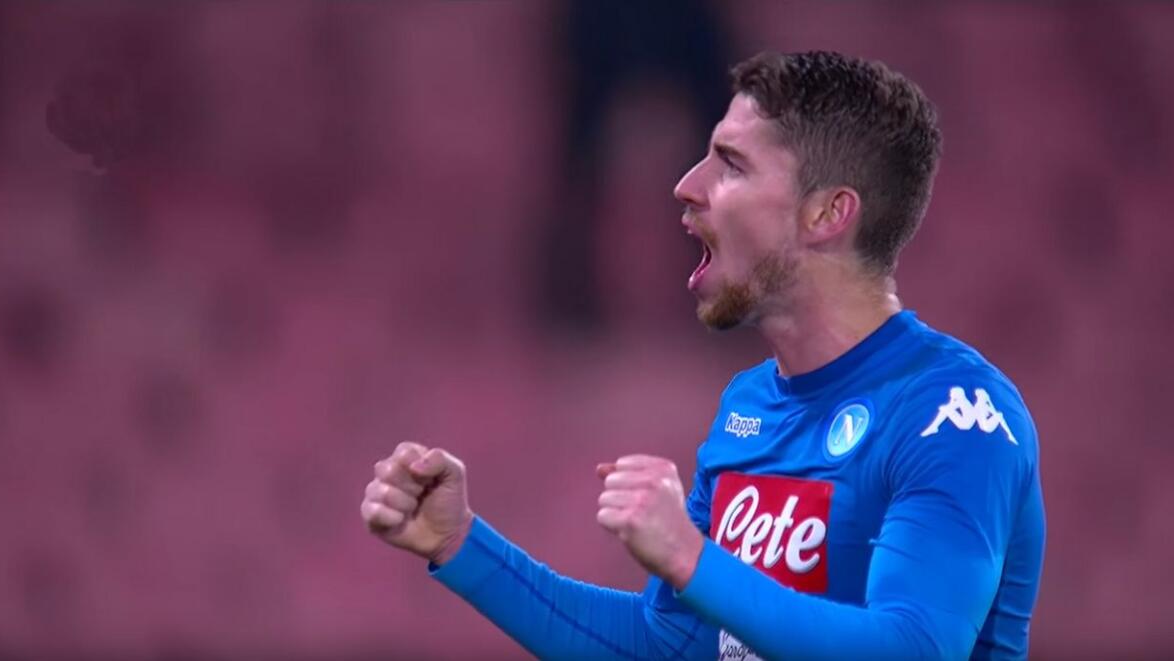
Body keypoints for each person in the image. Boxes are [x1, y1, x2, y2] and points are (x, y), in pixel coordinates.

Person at [360, 50, 1045, 660]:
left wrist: (693, 559)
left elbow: (916, 647)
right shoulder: (752, 405)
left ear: (826, 214)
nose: (687, 184)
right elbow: (667, 646)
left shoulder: (953, 413)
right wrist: (461, 544)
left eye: (732, 164)